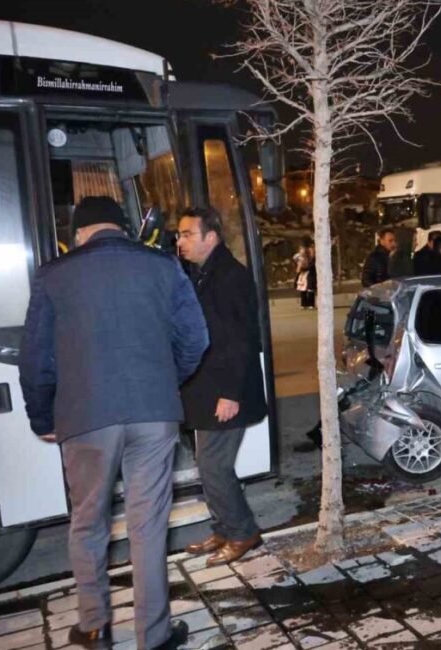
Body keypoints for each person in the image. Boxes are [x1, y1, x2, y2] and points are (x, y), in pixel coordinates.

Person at [19, 196, 207, 650]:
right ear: (123, 228)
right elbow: (196, 339)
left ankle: (94, 626)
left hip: (85, 417)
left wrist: (42, 416)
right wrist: (163, 382)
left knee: (88, 523)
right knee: (148, 526)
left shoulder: (53, 275)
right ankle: (155, 636)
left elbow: (36, 359)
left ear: (80, 232)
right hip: (154, 413)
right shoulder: (163, 266)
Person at [177, 207, 269, 567]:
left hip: (228, 392)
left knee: (213, 465)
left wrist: (230, 393)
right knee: (208, 464)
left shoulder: (231, 276)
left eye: (187, 234)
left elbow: (240, 339)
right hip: (206, 390)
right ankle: (223, 528)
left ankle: (243, 531)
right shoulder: (201, 273)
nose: (180, 240)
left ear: (210, 237)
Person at [295, 238, 317, 309]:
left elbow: (312, 266)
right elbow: (298, 267)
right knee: (303, 289)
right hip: (303, 275)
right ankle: (304, 304)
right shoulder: (302, 257)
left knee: (310, 289)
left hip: (310, 275)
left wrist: (304, 268)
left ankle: (311, 304)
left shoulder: (314, 259)